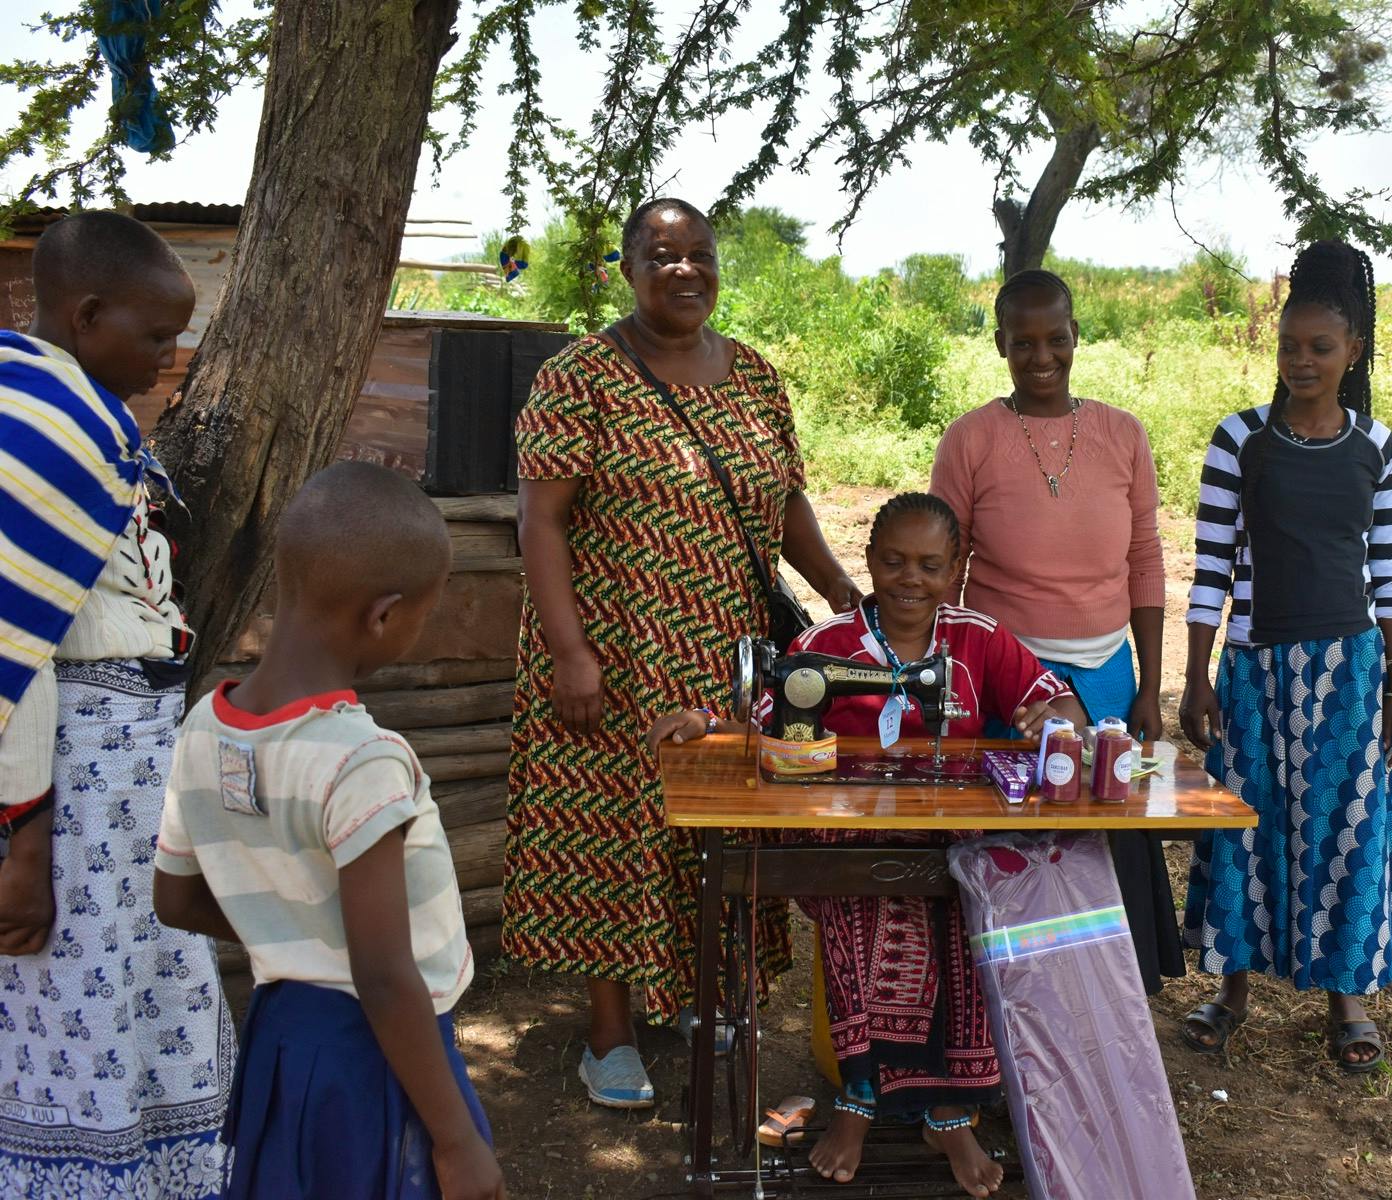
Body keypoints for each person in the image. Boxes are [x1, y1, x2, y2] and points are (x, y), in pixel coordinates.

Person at [505, 197, 862, 1109]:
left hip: (725, 659)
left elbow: (784, 504)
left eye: (700, 253)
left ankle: (701, 997)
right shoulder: (579, 377)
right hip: (611, 653)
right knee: (609, 835)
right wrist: (569, 652)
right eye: (662, 255)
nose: (684, 269)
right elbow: (540, 522)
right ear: (627, 270)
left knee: (719, 834)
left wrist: (840, 590)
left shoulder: (755, 377)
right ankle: (609, 1033)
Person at [651, 492, 1084, 1199]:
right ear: (870, 560)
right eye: (893, 561)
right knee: (870, 896)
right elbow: (759, 713)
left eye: (930, 565)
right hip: (841, 827)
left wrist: (1051, 716)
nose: (910, 578)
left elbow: (1057, 698)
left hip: (946, 829)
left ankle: (945, 1113)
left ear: (956, 568)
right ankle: (861, 1098)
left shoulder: (977, 638)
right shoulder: (829, 643)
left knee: (971, 905)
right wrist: (702, 719)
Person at [153, 462, 504, 1199]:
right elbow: (383, 976)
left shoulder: (203, 729)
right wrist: (456, 1140)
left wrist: (290, 934)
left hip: (282, 1037)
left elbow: (175, 901)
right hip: (376, 1054)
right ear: (384, 615)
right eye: (424, 614)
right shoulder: (363, 761)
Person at [0, 211, 234, 1197]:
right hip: (68, 799)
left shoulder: (81, 418)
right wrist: (22, 846)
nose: (170, 359)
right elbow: (12, 658)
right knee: (73, 1013)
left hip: (124, 782)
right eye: (156, 335)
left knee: (143, 991)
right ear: (87, 315)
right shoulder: (37, 432)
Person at [1178, 240, 1392, 1074]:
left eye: (1320, 347)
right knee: (1246, 824)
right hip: (1254, 671)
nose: (1302, 361)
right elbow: (1211, 569)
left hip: (1349, 674)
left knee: (1346, 829)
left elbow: (1391, 579)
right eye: (1289, 346)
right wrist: (1195, 677)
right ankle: (1233, 992)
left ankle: (1346, 999)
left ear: (1353, 350)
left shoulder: (1378, 448)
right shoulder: (1239, 440)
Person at [928, 269, 1182, 997]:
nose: (1042, 357)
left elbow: (1144, 560)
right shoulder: (971, 439)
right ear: (1000, 344)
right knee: (1017, 835)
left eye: (1056, 339)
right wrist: (946, 679)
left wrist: (1149, 686)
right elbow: (945, 567)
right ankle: (1014, 995)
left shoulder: (1123, 434)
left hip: (1109, 672)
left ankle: (1108, 994)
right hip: (1007, 675)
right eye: (1024, 343)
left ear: (1077, 336)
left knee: (1106, 825)